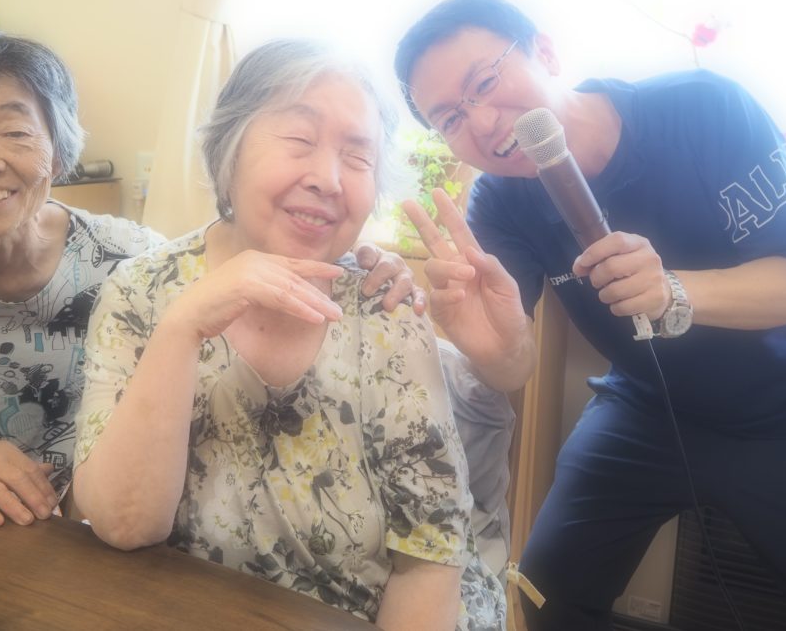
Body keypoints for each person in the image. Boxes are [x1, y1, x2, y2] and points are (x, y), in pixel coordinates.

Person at [0, 31, 421, 530]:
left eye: (15, 131)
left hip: (66, 561)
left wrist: (356, 265)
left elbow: (228, 271)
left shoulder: (130, 265)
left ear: (60, 151)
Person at [72, 39, 507, 630]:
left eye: (357, 157)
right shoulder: (142, 292)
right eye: (299, 140)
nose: (328, 178)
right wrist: (182, 327)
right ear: (229, 151)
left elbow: (428, 560)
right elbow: (124, 524)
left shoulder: (385, 308)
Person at [393, 0, 786, 630]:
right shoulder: (499, 202)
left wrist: (674, 290)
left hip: (777, 409)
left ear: (545, 52)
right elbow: (513, 364)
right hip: (644, 406)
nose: (484, 123)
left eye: (485, 83)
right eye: (450, 118)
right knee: (545, 596)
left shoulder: (703, 108)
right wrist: (490, 346)